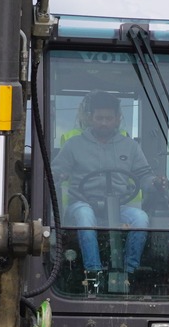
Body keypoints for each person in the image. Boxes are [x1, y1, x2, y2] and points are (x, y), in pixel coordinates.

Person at [52, 91, 157, 293]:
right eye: (99, 118)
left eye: (108, 118)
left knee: (141, 218)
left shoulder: (130, 146)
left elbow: (144, 175)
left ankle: (128, 273)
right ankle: (94, 274)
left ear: (117, 119)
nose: (104, 122)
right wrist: (59, 174)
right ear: (91, 118)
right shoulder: (74, 145)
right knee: (84, 215)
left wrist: (155, 182)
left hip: (118, 206)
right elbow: (58, 169)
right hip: (83, 202)